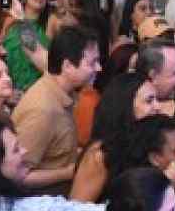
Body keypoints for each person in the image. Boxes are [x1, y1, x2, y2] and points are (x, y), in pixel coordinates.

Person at [11, 26, 100, 195]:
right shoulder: (42, 111)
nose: (98, 68)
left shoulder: (65, 93)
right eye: (92, 63)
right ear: (67, 66)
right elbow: (19, 176)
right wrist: (68, 172)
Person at [68, 71, 163, 202]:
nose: (158, 107)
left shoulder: (146, 142)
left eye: (157, 99)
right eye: (149, 101)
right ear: (126, 106)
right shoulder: (100, 155)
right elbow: (76, 208)